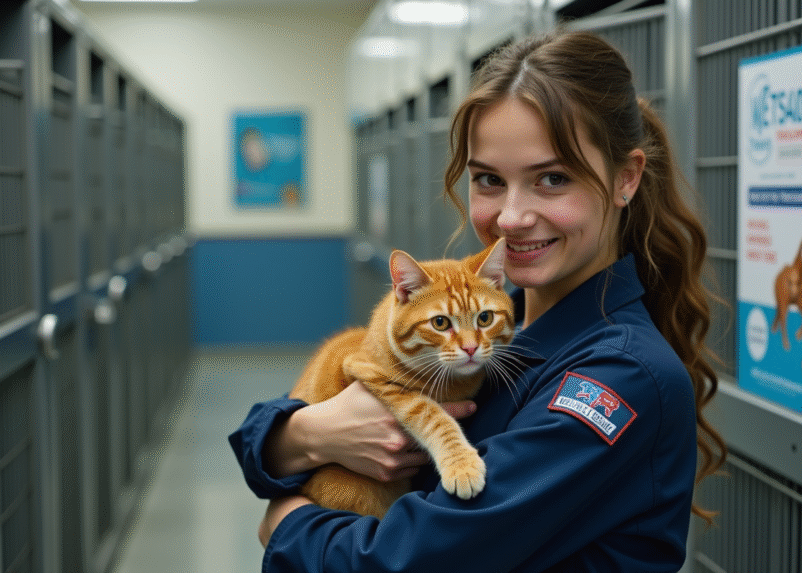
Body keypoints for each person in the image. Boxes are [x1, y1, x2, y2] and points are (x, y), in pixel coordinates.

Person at [229, 29, 727, 572]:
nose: (511, 218)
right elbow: (256, 441)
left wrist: (287, 524)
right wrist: (305, 434)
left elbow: (413, 560)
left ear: (625, 179)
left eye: (552, 179)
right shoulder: (491, 323)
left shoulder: (618, 378)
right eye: (489, 179)